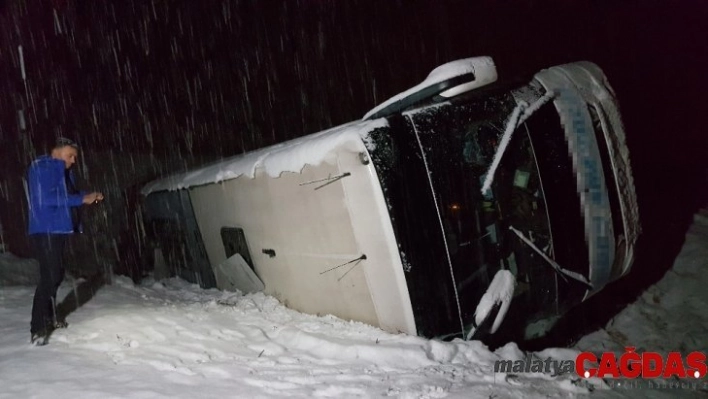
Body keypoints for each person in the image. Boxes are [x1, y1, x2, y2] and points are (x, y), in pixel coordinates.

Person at [27, 137, 104, 345]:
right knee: (50, 275)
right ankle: (38, 328)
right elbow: (46, 199)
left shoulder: (63, 171)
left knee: (56, 274)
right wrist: (80, 199)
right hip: (46, 229)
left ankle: (50, 318)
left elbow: (66, 196)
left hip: (58, 229)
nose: (73, 161)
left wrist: (86, 196)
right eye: (70, 156)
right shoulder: (42, 166)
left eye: (74, 157)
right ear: (57, 151)